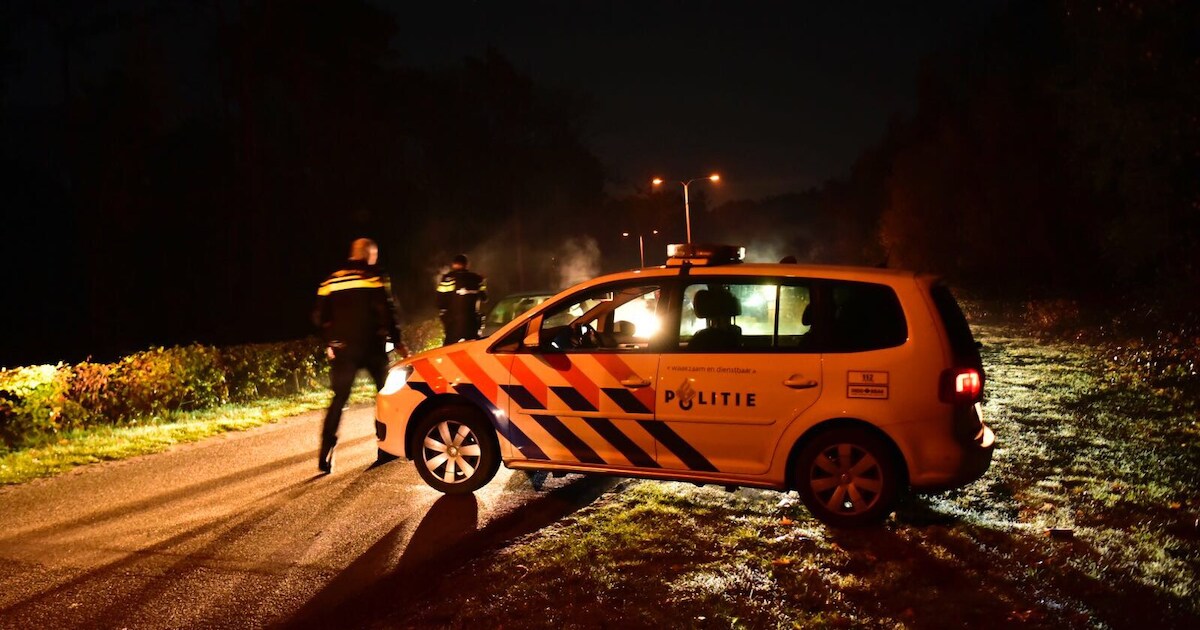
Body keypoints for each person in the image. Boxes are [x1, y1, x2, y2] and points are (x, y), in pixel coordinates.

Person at [313, 238, 407, 474]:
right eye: (374, 255)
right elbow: (387, 311)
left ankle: (325, 453)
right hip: (373, 347)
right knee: (385, 396)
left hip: (344, 349)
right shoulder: (374, 275)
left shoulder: (331, 279)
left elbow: (317, 315)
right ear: (368, 254)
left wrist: (330, 340)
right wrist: (398, 342)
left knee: (339, 399)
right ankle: (386, 448)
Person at [436, 253, 488, 346]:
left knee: (449, 350)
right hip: (472, 322)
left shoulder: (448, 279)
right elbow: (484, 298)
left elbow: (440, 302)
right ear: (467, 264)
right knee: (473, 348)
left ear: (454, 264)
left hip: (453, 324)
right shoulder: (476, 278)